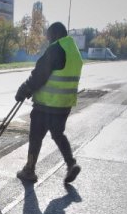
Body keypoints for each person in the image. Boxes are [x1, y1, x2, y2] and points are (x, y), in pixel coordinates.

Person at [15, 21, 82, 184]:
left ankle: (29, 170)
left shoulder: (56, 48)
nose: (48, 40)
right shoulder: (73, 50)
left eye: (49, 36)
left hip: (46, 105)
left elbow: (40, 74)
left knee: (36, 136)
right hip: (64, 105)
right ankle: (71, 163)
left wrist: (24, 89)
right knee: (58, 134)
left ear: (55, 34)